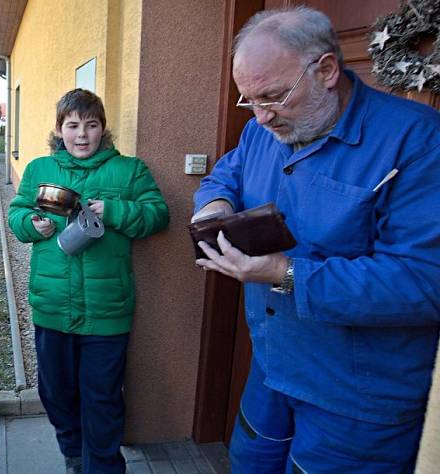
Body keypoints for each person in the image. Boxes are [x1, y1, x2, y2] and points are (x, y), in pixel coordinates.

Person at [192, 6, 440, 473]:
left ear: (326, 70)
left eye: (272, 96)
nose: (261, 116)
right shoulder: (262, 129)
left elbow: (426, 281)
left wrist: (285, 273)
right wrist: (214, 207)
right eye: (249, 100)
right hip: (272, 365)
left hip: (358, 395)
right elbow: (227, 172)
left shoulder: (419, 142)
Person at [8, 88, 169, 474]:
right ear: (59, 129)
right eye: (73, 125)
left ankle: (103, 467)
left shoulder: (129, 170)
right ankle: (74, 454)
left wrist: (112, 210)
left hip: (107, 309)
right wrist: (33, 224)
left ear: (103, 130)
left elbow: (158, 215)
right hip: (52, 306)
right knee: (56, 394)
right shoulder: (39, 170)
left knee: (102, 398)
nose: (82, 135)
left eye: (91, 125)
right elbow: (16, 214)